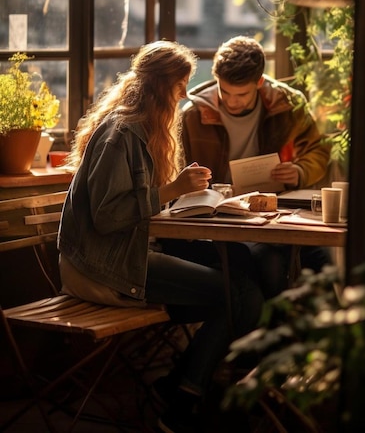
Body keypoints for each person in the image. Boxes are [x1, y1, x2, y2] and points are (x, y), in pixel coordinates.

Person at [57, 40, 264, 433]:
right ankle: (185, 400)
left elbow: (137, 208)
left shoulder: (143, 129)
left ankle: (181, 388)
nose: (186, 94)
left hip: (127, 254)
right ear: (159, 86)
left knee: (242, 275)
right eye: (181, 84)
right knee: (236, 295)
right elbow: (106, 217)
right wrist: (172, 190)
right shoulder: (121, 133)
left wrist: (193, 196)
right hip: (104, 266)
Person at [178, 35, 333, 299]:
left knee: (324, 263)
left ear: (260, 83)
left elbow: (318, 150)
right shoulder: (194, 114)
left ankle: (316, 336)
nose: (231, 101)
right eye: (224, 91)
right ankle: (270, 335)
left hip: (277, 214)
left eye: (241, 94)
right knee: (268, 263)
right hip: (222, 219)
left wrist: (299, 171)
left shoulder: (288, 104)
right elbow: (176, 172)